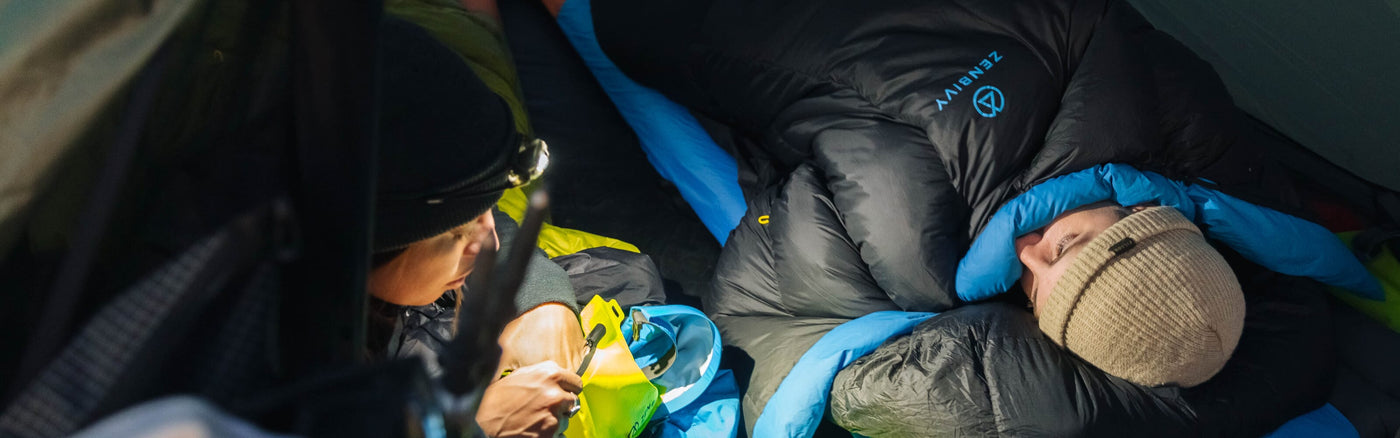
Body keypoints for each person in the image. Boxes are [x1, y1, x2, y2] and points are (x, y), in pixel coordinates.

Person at [536, 0, 1378, 434]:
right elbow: (764, 328)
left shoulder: (1177, 134)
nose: (1036, 247)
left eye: (1047, 284)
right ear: (1163, 216)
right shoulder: (914, 246)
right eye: (1078, 241)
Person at [370, 16, 584, 437]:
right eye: (456, 234)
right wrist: (460, 426)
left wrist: (544, 303)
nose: (489, 238)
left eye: (487, 207)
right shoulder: (245, 370)